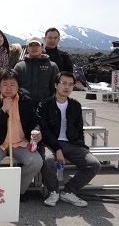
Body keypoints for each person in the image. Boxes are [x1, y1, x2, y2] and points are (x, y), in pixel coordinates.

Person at [37, 71, 101, 207]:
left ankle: (68, 192)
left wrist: (82, 146)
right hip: (50, 143)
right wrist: (57, 148)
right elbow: (45, 131)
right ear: (56, 85)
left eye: (71, 84)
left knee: (94, 164)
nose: (67, 87)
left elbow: (79, 129)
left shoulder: (75, 105)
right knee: (48, 160)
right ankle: (53, 191)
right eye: (64, 83)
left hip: (72, 143)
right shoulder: (45, 105)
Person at [0, 69, 43, 202]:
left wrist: (36, 131)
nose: (8, 88)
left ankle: (17, 190)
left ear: (18, 86)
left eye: (12, 84)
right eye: (5, 84)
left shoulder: (26, 100)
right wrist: (3, 110)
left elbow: (34, 122)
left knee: (36, 162)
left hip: (20, 142)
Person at [14, 36, 59, 109]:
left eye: (37, 45)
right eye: (31, 45)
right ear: (27, 48)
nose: (34, 48)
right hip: (23, 108)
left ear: (42, 47)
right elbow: (14, 88)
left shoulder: (52, 66)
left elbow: (56, 89)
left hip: (46, 108)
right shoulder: (19, 66)